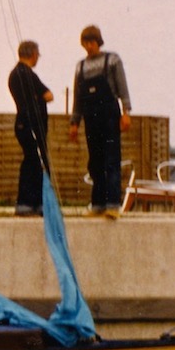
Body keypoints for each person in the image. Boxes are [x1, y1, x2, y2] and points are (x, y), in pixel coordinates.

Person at [68, 25, 132, 218]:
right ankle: (97, 204)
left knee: (111, 160)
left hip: (110, 116)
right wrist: (74, 122)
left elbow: (122, 87)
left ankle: (113, 205)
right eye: (85, 44)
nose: (88, 47)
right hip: (90, 117)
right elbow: (78, 97)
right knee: (95, 162)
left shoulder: (112, 60)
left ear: (98, 41)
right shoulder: (80, 66)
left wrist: (126, 112)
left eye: (91, 42)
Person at [8, 40, 54, 216]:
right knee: (38, 162)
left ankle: (29, 203)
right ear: (33, 54)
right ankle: (33, 203)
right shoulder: (28, 74)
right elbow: (49, 95)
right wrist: (39, 96)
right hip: (32, 125)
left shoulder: (13, 74)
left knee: (31, 161)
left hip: (22, 123)